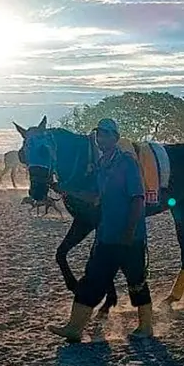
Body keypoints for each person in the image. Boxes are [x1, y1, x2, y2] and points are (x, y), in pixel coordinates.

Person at [47, 118, 154, 342]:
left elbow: (137, 199)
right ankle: (74, 328)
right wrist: (66, 189)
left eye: (106, 134)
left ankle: (146, 327)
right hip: (106, 235)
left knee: (136, 280)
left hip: (129, 237)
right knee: (92, 278)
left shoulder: (127, 163)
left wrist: (130, 230)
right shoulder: (102, 165)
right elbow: (94, 197)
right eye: (99, 134)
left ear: (116, 138)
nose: (101, 138)